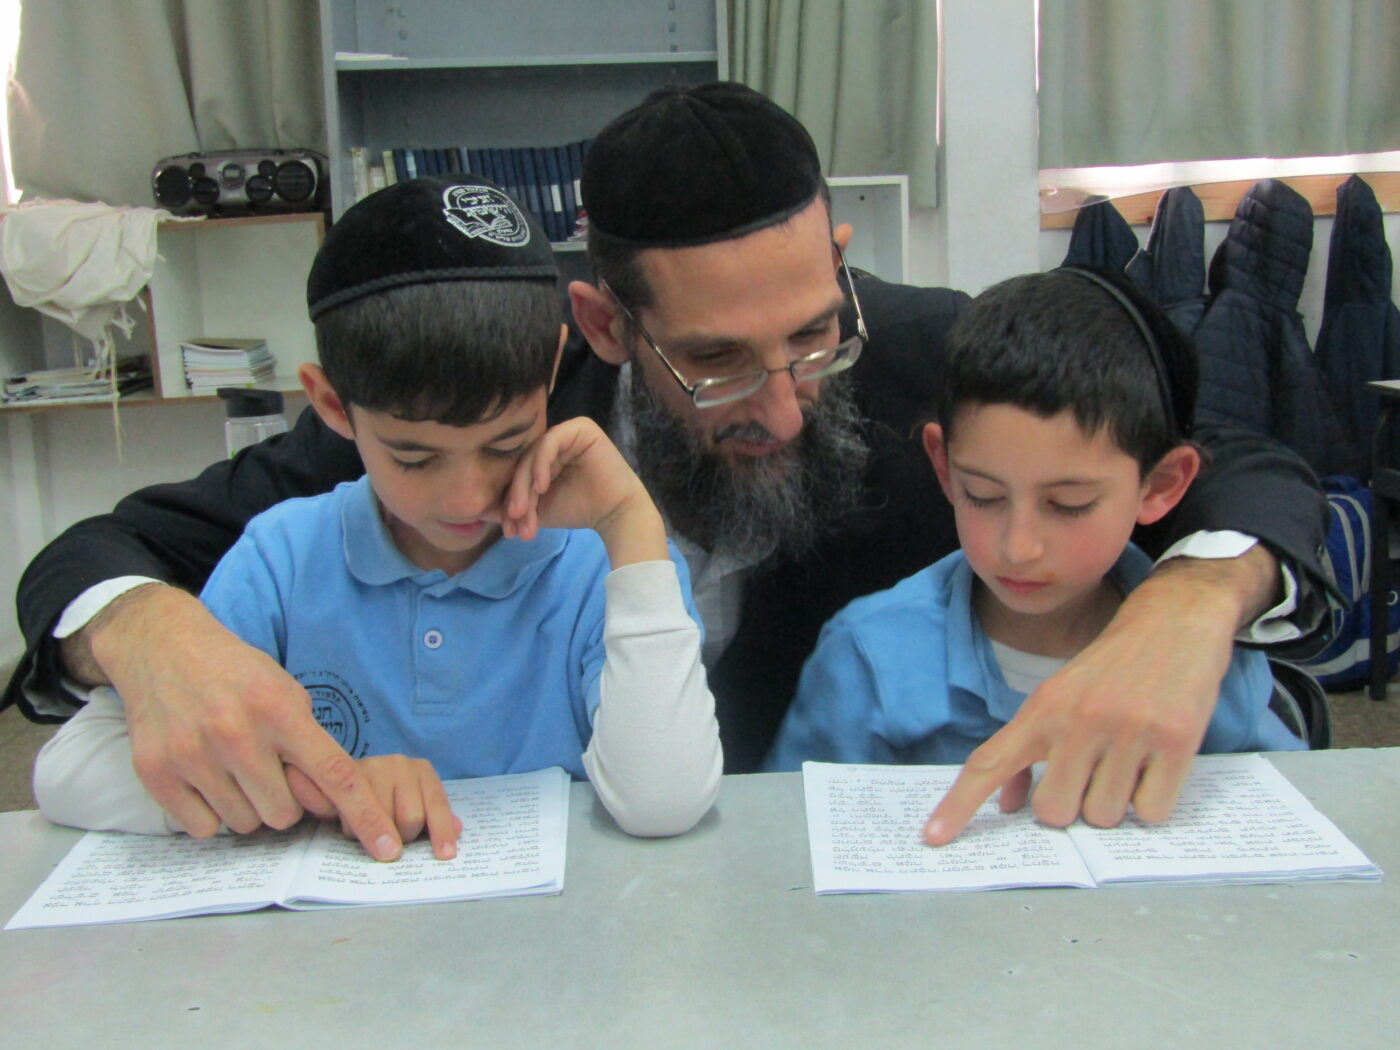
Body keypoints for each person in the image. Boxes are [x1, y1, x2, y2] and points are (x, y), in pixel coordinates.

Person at [7, 83, 1329, 856]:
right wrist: (146, 635)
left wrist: (1188, 603)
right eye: (711, 361)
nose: (786, 404)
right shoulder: (491, 408)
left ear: (838, 262)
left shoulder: (933, 355)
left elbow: (1245, 466)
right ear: (600, 326)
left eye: (811, 335)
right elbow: (111, 551)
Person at [31, 175, 722, 852]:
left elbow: (664, 801)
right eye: (414, 459)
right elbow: (67, 773)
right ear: (332, 406)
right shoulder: (281, 561)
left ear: (549, 372)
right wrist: (332, 788)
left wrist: (631, 521)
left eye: (505, 445)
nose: (467, 499)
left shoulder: (604, 564)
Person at [766, 268, 1307, 786]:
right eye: (984, 495)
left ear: (1160, 483)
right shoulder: (867, 659)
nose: (1019, 547)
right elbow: (788, 825)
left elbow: (1293, 805)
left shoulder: (1198, 653)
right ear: (944, 466)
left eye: (1068, 504)